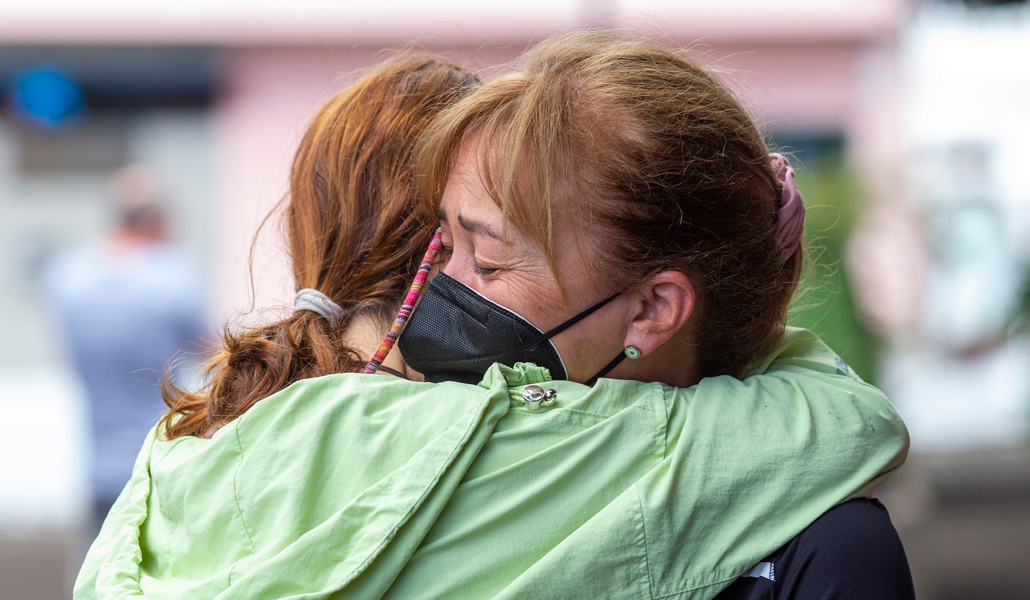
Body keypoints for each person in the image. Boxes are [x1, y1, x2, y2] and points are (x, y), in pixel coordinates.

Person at [75, 47, 910, 600]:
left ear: (654, 309)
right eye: (445, 243)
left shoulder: (222, 443)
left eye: (488, 257)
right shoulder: (806, 502)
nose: (439, 288)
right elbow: (840, 419)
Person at [43, 165, 206, 535]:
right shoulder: (174, 274)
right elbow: (209, 350)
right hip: (162, 465)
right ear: (156, 222)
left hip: (98, 472)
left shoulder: (66, 277)